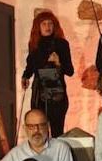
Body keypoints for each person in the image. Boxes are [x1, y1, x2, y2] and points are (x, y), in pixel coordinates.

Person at [21, 11, 74, 139]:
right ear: (38, 27)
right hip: (39, 92)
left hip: (57, 92)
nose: (47, 26)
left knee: (57, 130)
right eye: (44, 24)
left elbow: (70, 71)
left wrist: (58, 63)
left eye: (50, 23)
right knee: (39, 126)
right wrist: (25, 76)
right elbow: (30, 66)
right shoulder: (34, 45)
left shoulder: (62, 44)